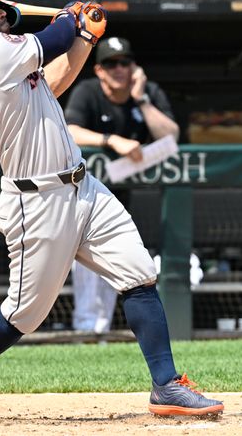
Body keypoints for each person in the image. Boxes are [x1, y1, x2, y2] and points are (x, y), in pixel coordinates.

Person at [0, 0, 224, 420]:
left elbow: (54, 80)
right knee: (25, 312)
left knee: (138, 273)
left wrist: (85, 35)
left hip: (83, 185)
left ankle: (166, 384)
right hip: (37, 200)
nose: (0, 10)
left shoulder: (1, 54)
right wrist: (73, 17)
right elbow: (53, 38)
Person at [64, 36, 180, 333]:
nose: (118, 69)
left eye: (124, 63)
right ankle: (86, 330)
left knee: (124, 264)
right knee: (86, 265)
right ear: (99, 70)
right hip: (84, 198)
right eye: (110, 64)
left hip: (128, 199)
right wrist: (111, 140)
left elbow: (171, 136)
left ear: (134, 68)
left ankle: (99, 331)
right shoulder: (87, 92)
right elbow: (68, 129)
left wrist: (141, 99)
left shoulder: (148, 93)